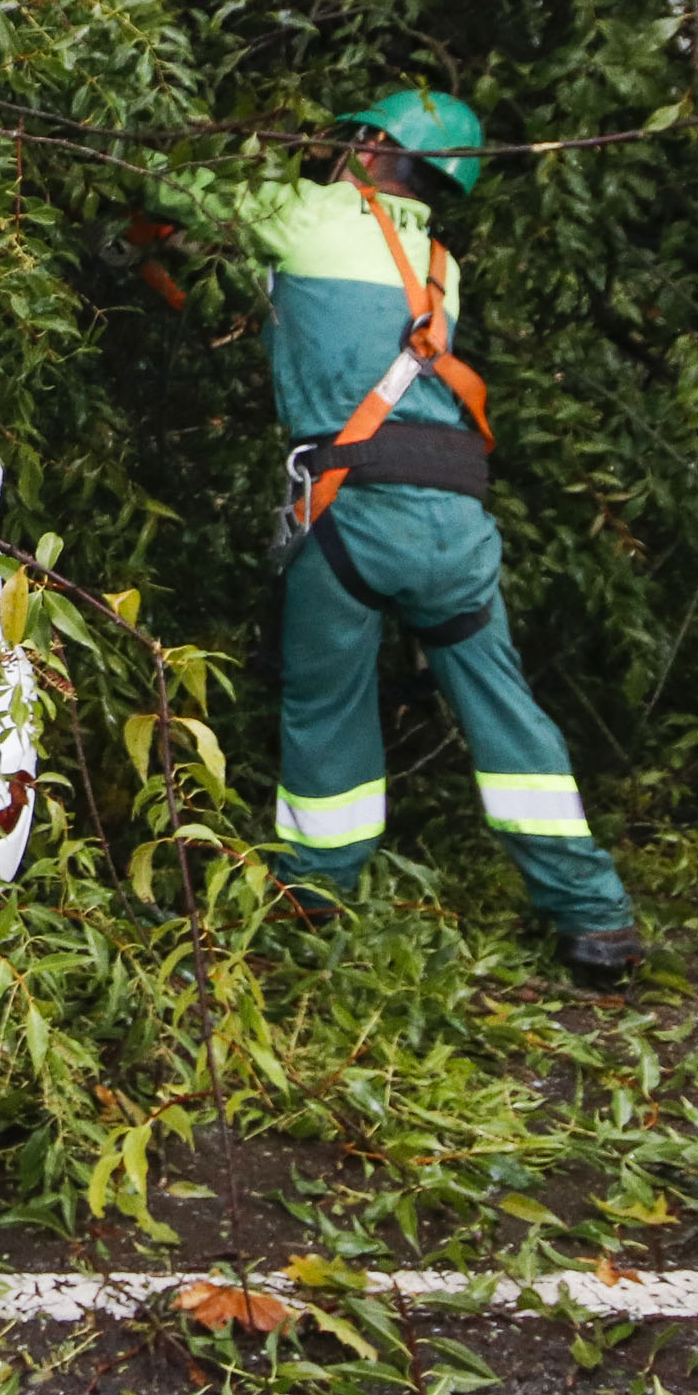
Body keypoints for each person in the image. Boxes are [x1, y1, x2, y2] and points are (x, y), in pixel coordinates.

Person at [176, 91, 650, 982]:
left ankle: (314, 894)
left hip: (351, 511)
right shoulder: (442, 265)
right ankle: (597, 922)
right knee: (508, 716)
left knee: (325, 709)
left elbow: (174, 185)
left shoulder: (308, 215)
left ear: (372, 144)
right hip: (456, 522)